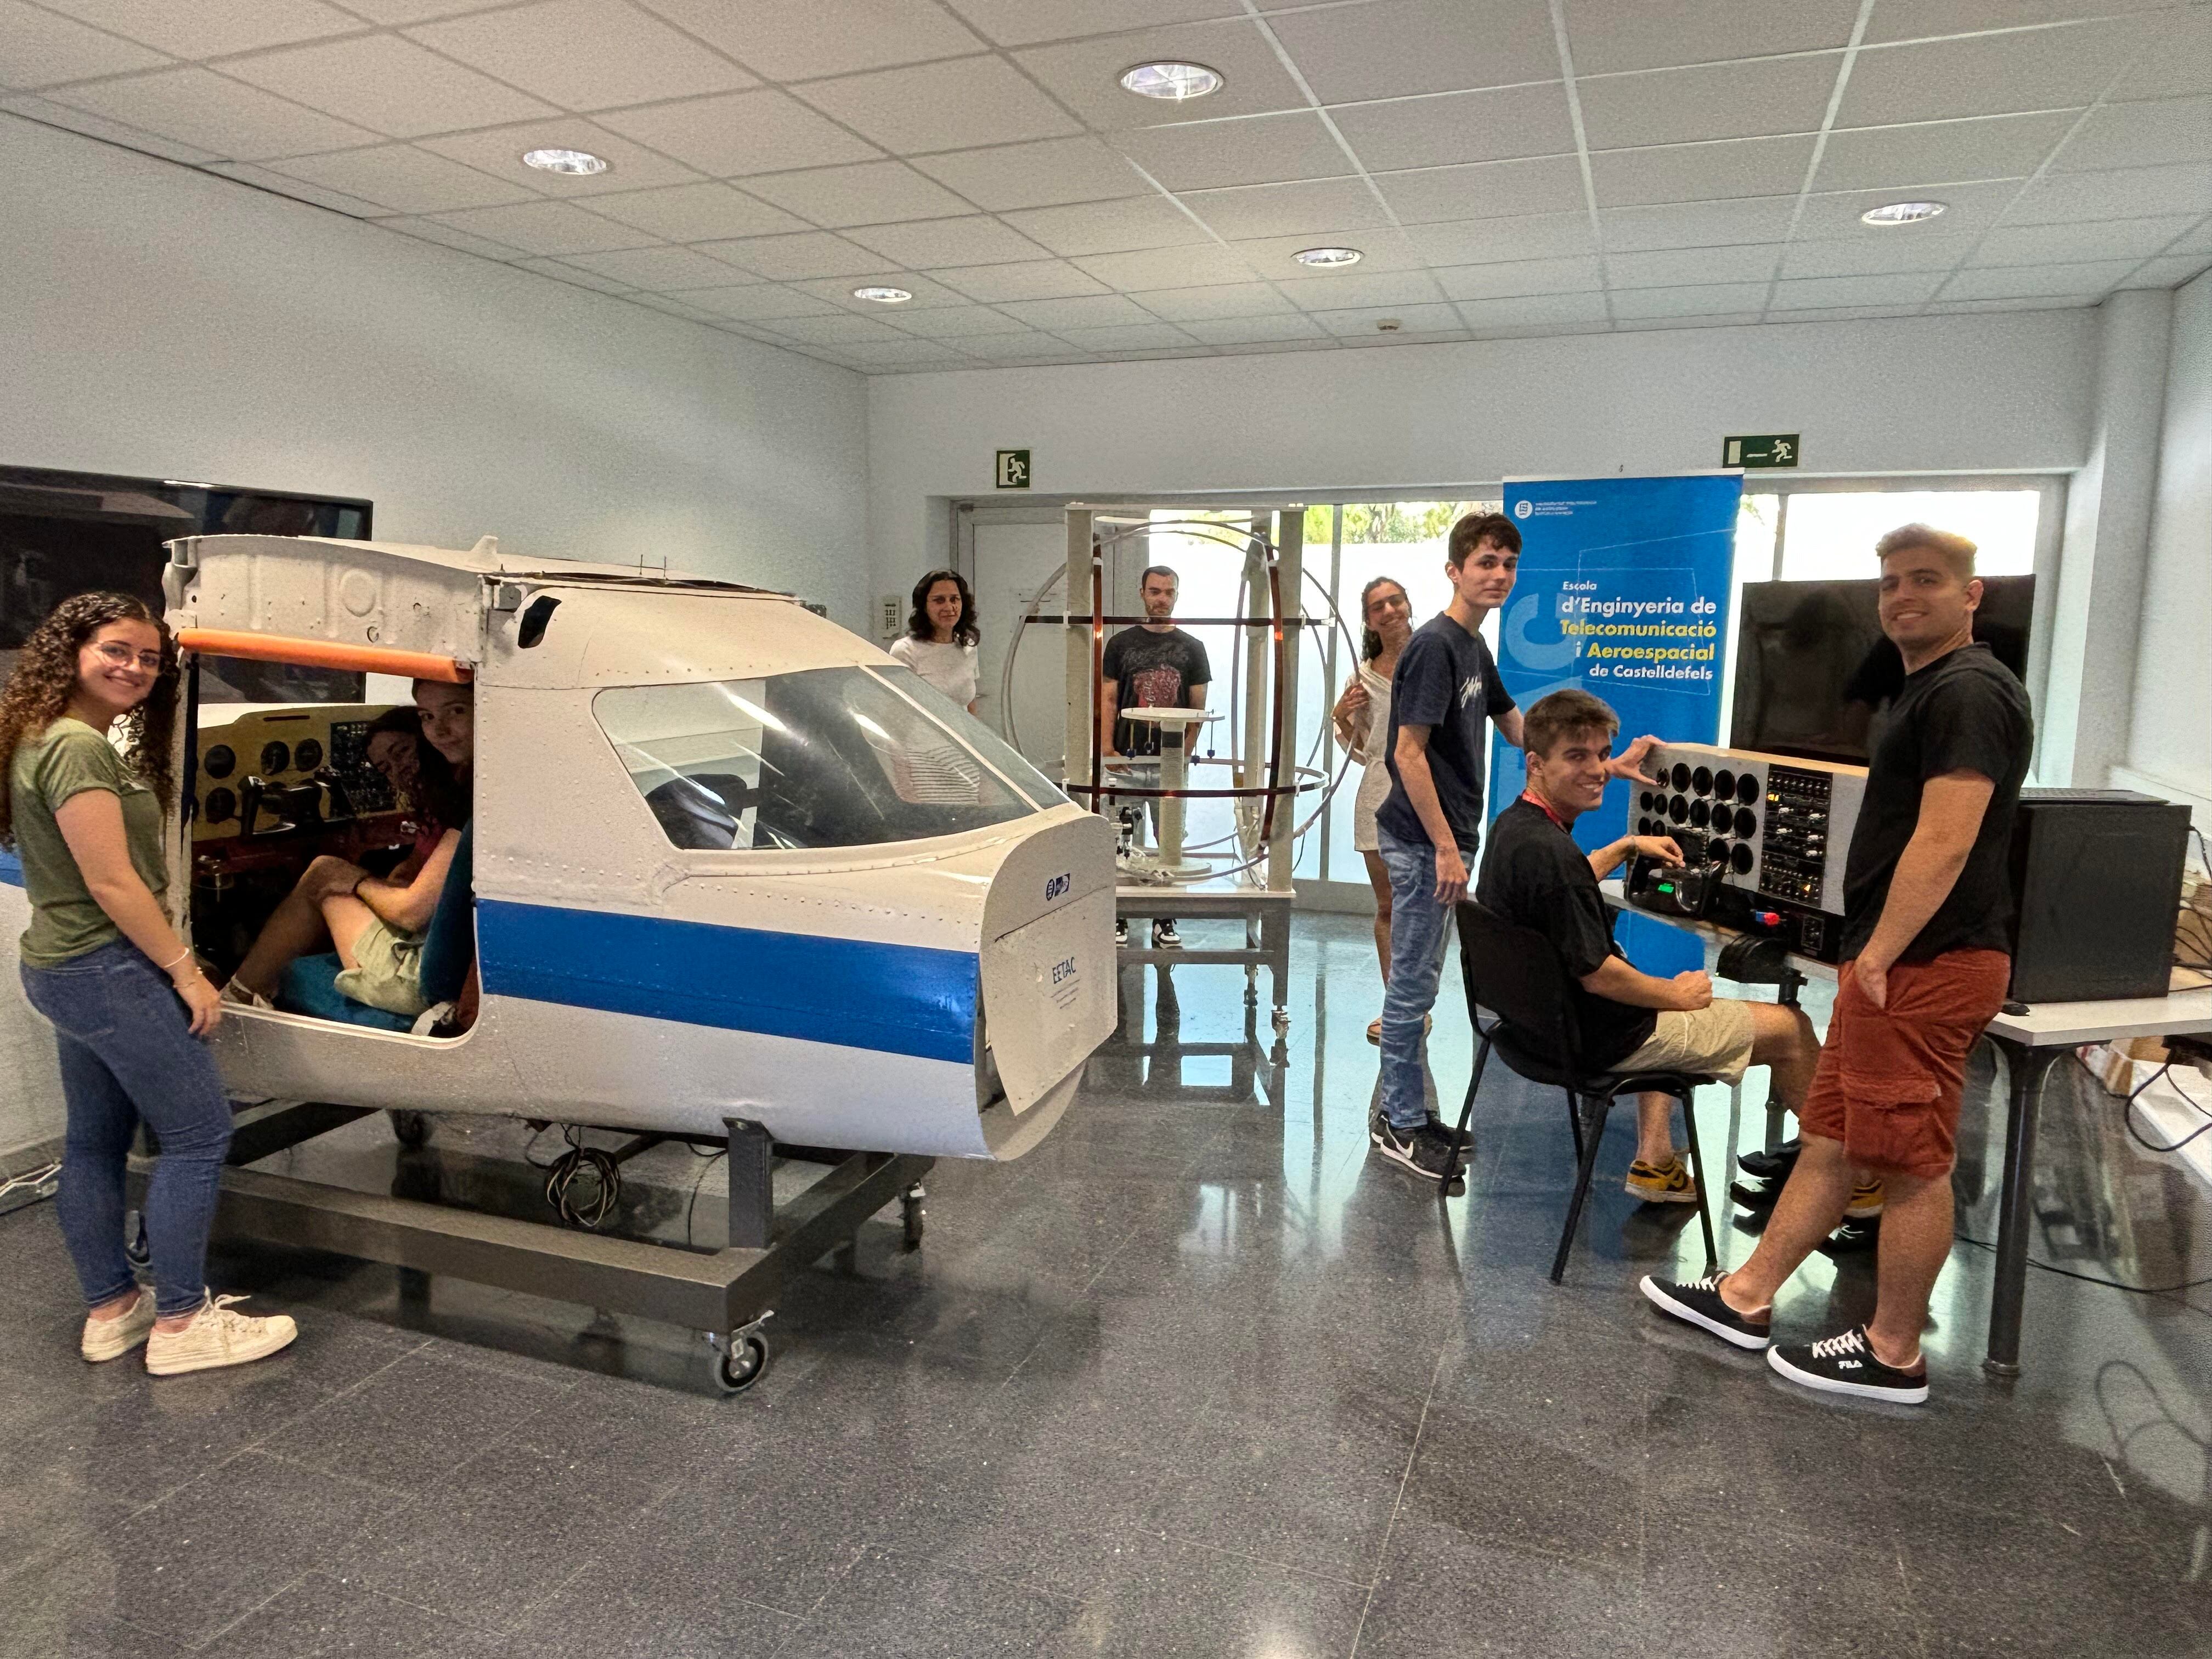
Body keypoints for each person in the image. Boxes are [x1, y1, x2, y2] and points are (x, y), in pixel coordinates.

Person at [1641, 525, 2033, 1406]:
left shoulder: (1969, 692)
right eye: (1890, 583)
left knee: (1910, 1162)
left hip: (1925, 962)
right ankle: (1746, 1298)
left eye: (1926, 582)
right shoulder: (1922, 689)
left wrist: (1882, 955)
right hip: (1888, 961)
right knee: (1831, 1137)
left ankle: (1894, 1351)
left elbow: (1944, 840)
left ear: (1972, 596)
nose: (1902, 598)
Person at [0, 592, 297, 1375]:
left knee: (94, 1142)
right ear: (72, 651)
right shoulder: (78, 748)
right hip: (109, 968)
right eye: (117, 651)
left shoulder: (42, 736)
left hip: (63, 967)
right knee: (200, 1136)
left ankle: (113, 1309)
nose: (134, 667)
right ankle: (180, 1323)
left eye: (149, 658)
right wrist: (187, 973)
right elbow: (114, 884)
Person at [1370, 512, 1658, 1182]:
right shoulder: (1436, 646)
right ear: (1455, 571)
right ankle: (1399, 1125)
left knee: (1422, 982)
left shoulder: (1473, 648)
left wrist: (1596, 767)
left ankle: (1406, 1110)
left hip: (1443, 838)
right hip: (1420, 841)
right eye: (1485, 563)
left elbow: (1518, 732)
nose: (1498, 575)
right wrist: (1444, 848)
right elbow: (1406, 756)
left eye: (1507, 565)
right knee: (1412, 989)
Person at [1478, 689, 1821, 1203]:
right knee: (1791, 1028)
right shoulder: (1553, 856)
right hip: (1601, 1038)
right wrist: (1674, 995)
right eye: (1577, 757)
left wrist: (1621, 847)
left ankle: (1658, 1161)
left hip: (1534, 1030)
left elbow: (1555, 893)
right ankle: (1849, 1177)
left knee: (1650, 985)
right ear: (1536, 764)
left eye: (1600, 755)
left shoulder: (1515, 829)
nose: (1598, 770)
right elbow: (1599, 975)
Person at [224, 679, 473, 1018]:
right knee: (335, 875)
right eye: (428, 717)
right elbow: (409, 876)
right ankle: (255, 988)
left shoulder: (468, 806)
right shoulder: (463, 794)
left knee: (324, 872)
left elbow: (411, 912)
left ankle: (235, 998)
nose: (440, 730)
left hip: (415, 980)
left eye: (456, 711)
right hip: (441, 954)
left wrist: (354, 879)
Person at [1101, 565, 1210, 949]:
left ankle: (1164, 917)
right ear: (1142, 593)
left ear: (1176, 595)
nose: (1161, 599)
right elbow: (1109, 698)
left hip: (1169, 762)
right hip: (1127, 759)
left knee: (1169, 846)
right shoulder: (1119, 645)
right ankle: (1118, 915)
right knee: (1119, 841)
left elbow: (1198, 707)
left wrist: (1182, 758)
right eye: (1155, 591)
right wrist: (1108, 750)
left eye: (1168, 592)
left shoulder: (1193, 648)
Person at [1331, 576, 1414, 1044]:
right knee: (1388, 906)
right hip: (1379, 794)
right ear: (1368, 619)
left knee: (1420, 907)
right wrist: (1341, 712)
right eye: (1377, 606)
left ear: (1407, 605)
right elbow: (1362, 749)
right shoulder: (1362, 678)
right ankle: (1396, 1006)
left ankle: (1416, 1002)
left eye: (1394, 601)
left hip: (1428, 796)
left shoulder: (1434, 657)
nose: (1388, 610)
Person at [888, 568, 980, 714]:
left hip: (957, 735)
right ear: (924, 607)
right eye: (939, 600)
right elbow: (895, 710)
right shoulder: (905, 650)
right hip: (918, 737)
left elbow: (970, 703)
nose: (949, 607)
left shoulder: (968, 646)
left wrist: (976, 736)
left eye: (955, 599)